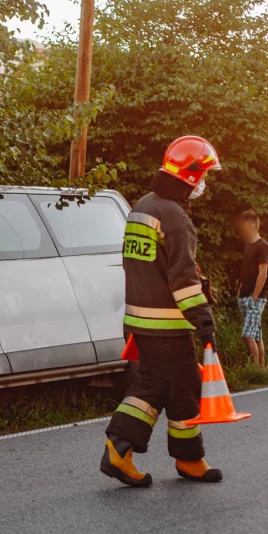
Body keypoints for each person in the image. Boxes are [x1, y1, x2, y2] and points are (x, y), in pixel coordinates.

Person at [101, 135, 223, 487]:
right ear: (191, 174)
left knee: (158, 385)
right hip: (167, 324)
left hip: (138, 320)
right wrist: (203, 321)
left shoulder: (143, 206)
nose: (204, 183)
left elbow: (147, 266)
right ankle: (179, 459)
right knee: (178, 388)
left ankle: (128, 449)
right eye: (204, 175)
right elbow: (182, 280)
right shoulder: (175, 218)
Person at [236, 211, 268, 367]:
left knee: (247, 335)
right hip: (244, 295)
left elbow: (263, 273)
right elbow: (246, 270)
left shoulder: (263, 245)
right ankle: (263, 369)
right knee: (256, 335)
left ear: (254, 225)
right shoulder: (248, 245)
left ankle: (255, 369)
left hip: (256, 297)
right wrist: (240, 290)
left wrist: (255, 296)